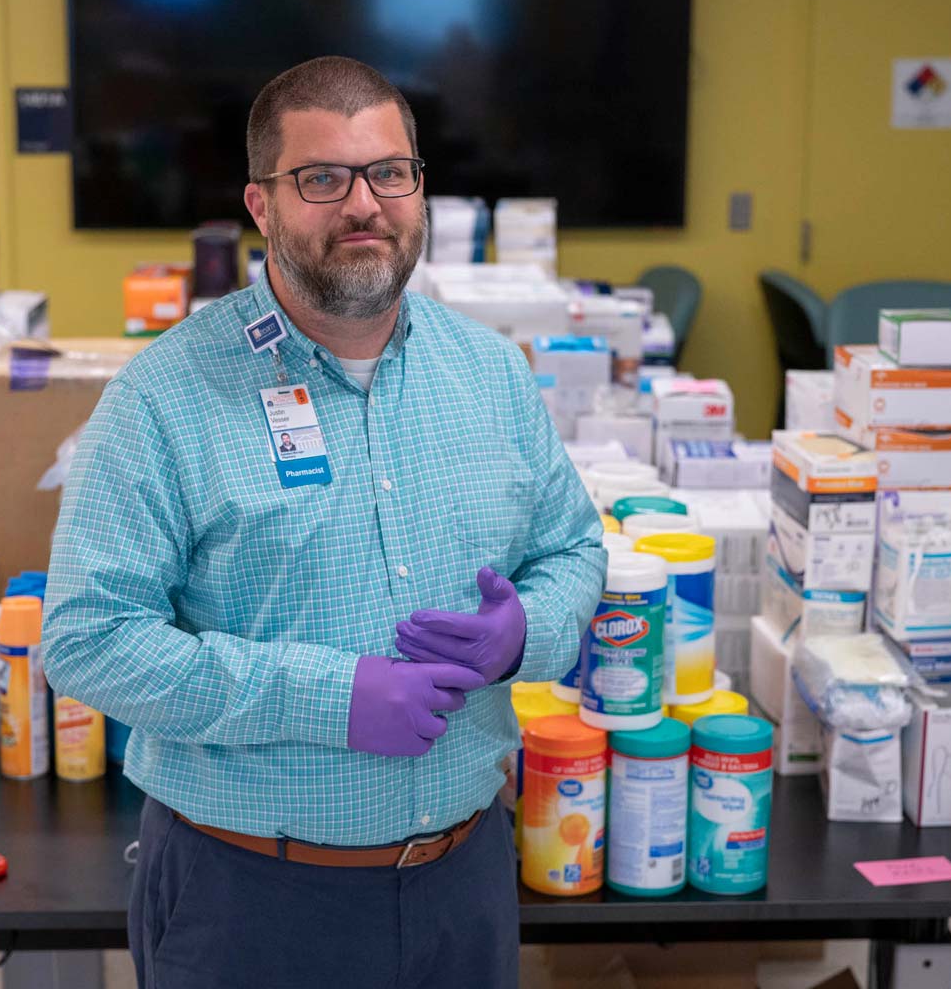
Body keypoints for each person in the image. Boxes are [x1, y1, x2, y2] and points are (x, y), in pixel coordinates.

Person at [44, 56, 605, 988]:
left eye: (390, 172)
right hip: (251, 898)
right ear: (261, 206)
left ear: (420, 187)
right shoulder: (164, 394)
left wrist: (524, 635)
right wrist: (329, 698)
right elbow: (87, 637)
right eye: (321, 179)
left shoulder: (493, 373)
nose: (364, 205)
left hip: (464, 885)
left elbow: (572, 548)